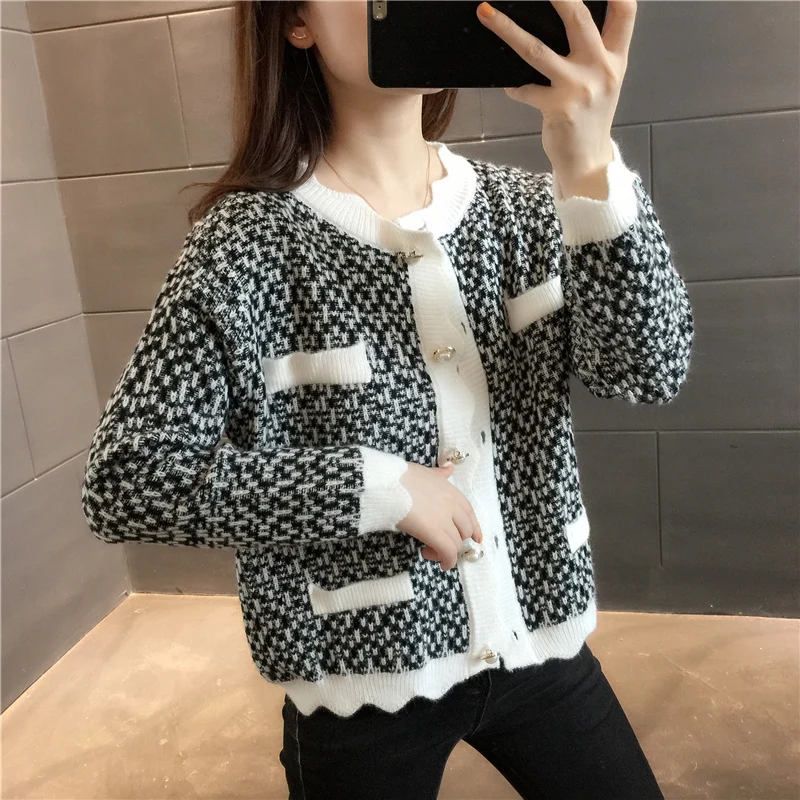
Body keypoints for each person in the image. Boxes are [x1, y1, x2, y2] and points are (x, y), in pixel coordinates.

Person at [82, 1, 693, 797]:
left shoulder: (530, 210)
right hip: (356, 682)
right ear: (296, 22)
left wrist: (588, 163)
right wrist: (379, 489)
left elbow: (649, 371)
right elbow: (127, 480)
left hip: (541, 639)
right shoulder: (245, 246)